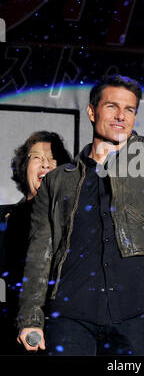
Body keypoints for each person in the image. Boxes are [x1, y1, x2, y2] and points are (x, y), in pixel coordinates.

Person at [17, 0, 144, 356]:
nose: (121, 115)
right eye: (112, 106)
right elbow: (40, 252)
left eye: (129, 109)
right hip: (71, 311)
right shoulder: (60, 179)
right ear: (93, 112)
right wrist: (30, 316)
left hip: (134, 309)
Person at [0, 131, 72, 354]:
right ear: (24, 167)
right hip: (15, 332)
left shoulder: (76, 220)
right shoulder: (5, 219)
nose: (46, 164)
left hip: (68, 329)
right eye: (37, 157)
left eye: (52, 158)